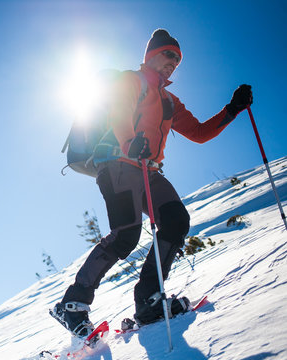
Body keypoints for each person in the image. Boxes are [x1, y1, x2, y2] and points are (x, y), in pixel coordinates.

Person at [51, 29, 253, 337]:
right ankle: (72, 304)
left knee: (175, 221)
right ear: (151, 55)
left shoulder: (170, 101)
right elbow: (120, 113)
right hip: (118, 164)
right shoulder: (131, 81)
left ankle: (148, 300)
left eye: (178, 59)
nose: (173, 62)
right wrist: (131, 142)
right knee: (125, 236)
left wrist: (232, 110)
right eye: (168, 54)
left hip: (149, 170)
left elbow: (198, 133)